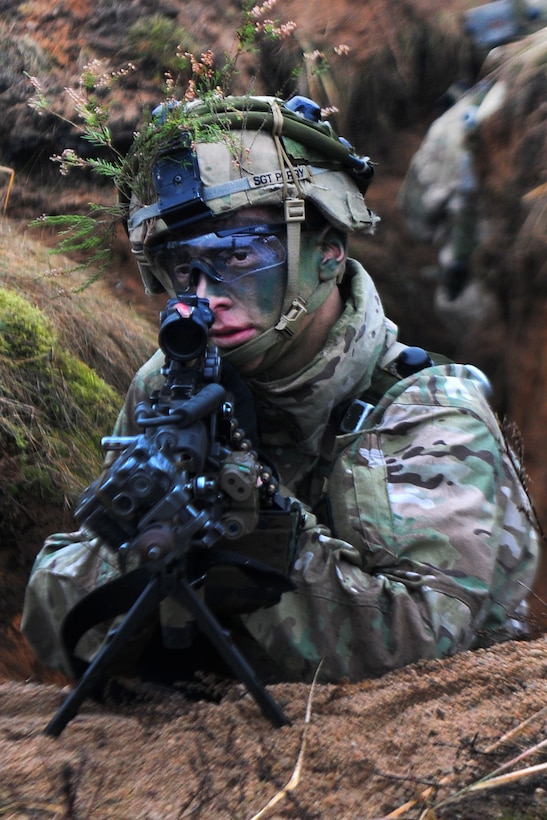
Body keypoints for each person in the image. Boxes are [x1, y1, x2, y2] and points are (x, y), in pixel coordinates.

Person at [21, 94, 539, 686]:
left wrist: (261, 533)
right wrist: (143, 549)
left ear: (327, 254)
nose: (204, 294)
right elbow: (53, 614)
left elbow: (424, 642)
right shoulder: (168, 384)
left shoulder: (425, 412)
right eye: (181, 268)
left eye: (238, 256)